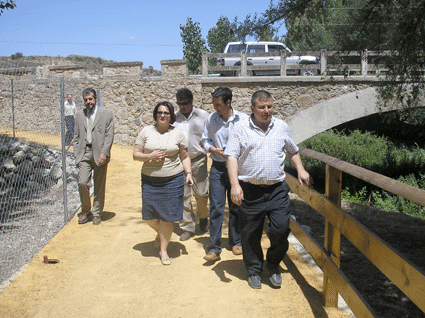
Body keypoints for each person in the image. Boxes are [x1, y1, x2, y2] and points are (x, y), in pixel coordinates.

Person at [224, 90, 311, 289]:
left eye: (269, 106)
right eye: (262, 107)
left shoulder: (281, 126)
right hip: (249, 190)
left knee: (281, 229)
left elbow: (292, 150)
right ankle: (254, 270)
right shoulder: (239, 128)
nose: (267, 111)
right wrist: (235, 185)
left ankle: (272, 264)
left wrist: (301, 169)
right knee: (250, 233)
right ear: (252, 108)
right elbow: (231, 157)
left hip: (277, 189)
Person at [133, 101, 194, 265]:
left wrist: (188, 173)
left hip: (173, 180)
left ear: (171, 116)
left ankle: (164, 251)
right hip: (150, 180)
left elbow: (185, 156)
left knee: (168, 217)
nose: (162, 115)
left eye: (166, 113)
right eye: (160, 112)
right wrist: (150, 156)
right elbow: (136, 154)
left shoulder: (178, 133)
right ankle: (161, 234)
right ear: (155, 114)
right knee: (150, 218)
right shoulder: (145, 131)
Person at [200, 87, 248, 262]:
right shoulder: (211, 119)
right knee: (216, 207)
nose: (215, 108)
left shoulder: (244, 120)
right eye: (214, 104)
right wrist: (212, 149)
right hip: (218, 168)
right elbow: (205, 139)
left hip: (238, 169)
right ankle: (214, 247)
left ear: (229, 102)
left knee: (237, 205)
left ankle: (236, 242)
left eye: (218, 104)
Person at [73, 88, 115, 226]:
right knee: (83, 182)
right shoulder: (79, 115)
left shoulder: (107, 114)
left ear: (95, 99)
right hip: (84, 153)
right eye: (86, 100)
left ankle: (97, 213)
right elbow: (76, 136)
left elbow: (109, 136)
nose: (88, 102)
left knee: (99, 185)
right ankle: (86, 210)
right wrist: (77, 154)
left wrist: (105, 152)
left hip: (100, 153)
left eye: (90, 99)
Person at [173, 88, 209, 241]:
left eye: (185, 103)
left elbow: (210, 135)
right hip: (179, 161)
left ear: (192, 101)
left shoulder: (203, 116)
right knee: (182, 196)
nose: (182, 107)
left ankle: (203, 217)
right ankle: (187, 227)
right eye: (180, 103)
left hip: (198, 160)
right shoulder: (175, 117)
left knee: (201, 193)